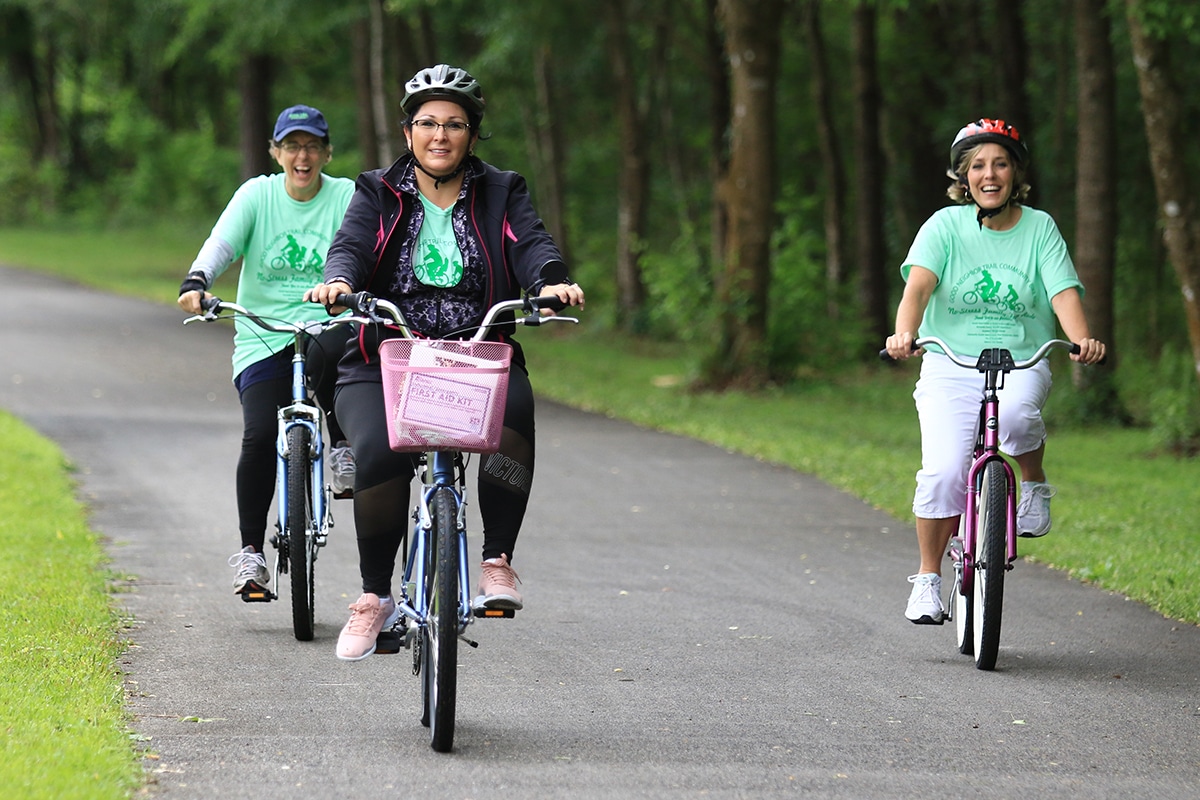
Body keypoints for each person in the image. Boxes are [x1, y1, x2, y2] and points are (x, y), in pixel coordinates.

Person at [305, 64, 584, 661]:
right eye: (427, 123)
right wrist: (338, 281)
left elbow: (531, 243)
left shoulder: (503, 189)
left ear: (473, 135)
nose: (440, 135)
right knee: (379, 451)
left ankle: (496, 562)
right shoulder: (376, 191)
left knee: (514, 418)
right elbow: (351, 246)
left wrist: (552, 281)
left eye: (454, 124)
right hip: (385, 350)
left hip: (475, 350)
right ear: (407, 132)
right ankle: (375, 595)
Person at [883, 118, 1106, 625]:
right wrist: (904, 333)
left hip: (1021, 359)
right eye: (978, 166)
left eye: (1000, 164)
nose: (990, 174)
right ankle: (927, 580)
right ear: (963, 178)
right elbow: (916, 289)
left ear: (1015, 173)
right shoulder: (944, 226)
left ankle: (1034, 484)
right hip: (950, 363)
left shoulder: (1039, 227)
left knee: (1017, 420)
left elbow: (1061, 292)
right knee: (942, 473)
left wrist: (1082, 337)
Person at [178, 104, 357, 601]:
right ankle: (252, 554)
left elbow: (366, 250)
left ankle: (342, 448)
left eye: (313, 146)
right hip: (262, 334)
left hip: (326, 327)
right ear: (276, 152)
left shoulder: (345, 196)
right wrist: (198, 280)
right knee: (259, 437)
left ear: (327, 152)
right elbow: (222, 243)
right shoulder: (257, 194)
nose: (303, 156)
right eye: (293, 146)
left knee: (340, 358)